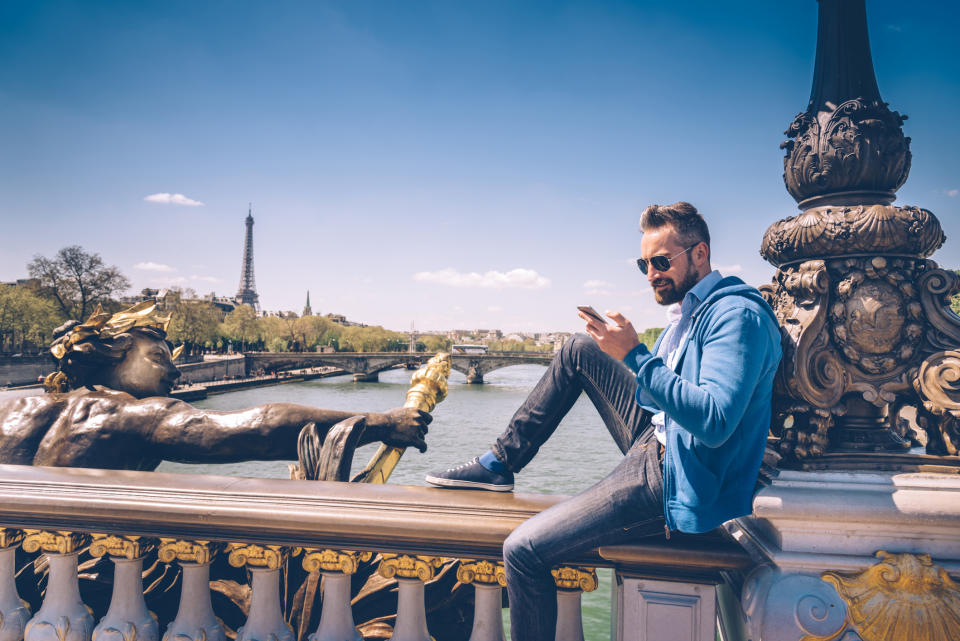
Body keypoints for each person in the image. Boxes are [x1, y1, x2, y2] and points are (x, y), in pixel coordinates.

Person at [425, 202, 782, 640]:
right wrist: (624, 358)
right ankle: (498, 463)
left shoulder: (736, 316)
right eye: (644, 263)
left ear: (701, 254)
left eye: (662, 261)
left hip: (675, 473)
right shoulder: (696, 310)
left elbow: (714, 420)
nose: (651, 273)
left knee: (522, 550)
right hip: (663, 436)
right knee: (579, 348)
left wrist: (634, 355)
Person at [0, 301, 430, 469]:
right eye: (159, 359)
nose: (174, 373)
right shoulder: (133, 413)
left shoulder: (13, 408)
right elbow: (261, 427)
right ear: (115, 352)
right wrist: (381, 422)